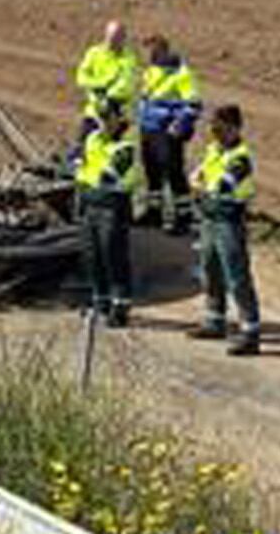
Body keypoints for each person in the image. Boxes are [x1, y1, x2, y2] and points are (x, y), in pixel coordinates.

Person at [188, 104, 262, 356]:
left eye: (219, 127)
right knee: (210, 269)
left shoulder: (240, 158)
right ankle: (214, 320)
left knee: (237, 277)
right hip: (210, 218)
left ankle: (250, 332)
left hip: (228, 221)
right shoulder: (214, 151)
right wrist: (202, 186)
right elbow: (196, 178)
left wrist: (203, 187)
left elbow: (221, 186)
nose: (214, 131)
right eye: (213, 126)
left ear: (234, 128)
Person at [74, 96, 141, 327]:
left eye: (106, 117)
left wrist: (84, 177)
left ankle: (120, 306)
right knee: (93, 256)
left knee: (113, 255)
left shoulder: (126, 146)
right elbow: (78, 166)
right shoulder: (92, 139)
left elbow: (105, 176)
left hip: (113, 206)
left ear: (118, 118)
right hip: (91, 205)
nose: (102, 122)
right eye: (99, 117)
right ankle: (99, 302)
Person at [136, 34, 201, 232]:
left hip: (166, 131)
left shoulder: (181, 74)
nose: (147, 55)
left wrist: (178, 126)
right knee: (152, 173)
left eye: (151, 51)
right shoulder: (151, 70)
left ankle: (184, 217)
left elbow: (194, 105)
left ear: (161, 50)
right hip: (148, 128)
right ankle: (154, 213)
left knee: (173, 172)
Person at [74, 18, 140, 130]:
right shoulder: (94, 53)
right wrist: (102, 84)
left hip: (118, 114)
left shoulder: (129, 58)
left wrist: (107, 98)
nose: (112, 42)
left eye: (117, 38)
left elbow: (126, 84)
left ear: (123, 38)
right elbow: (81, 78)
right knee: (81, 145)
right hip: (93, 112)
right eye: (110, 37)